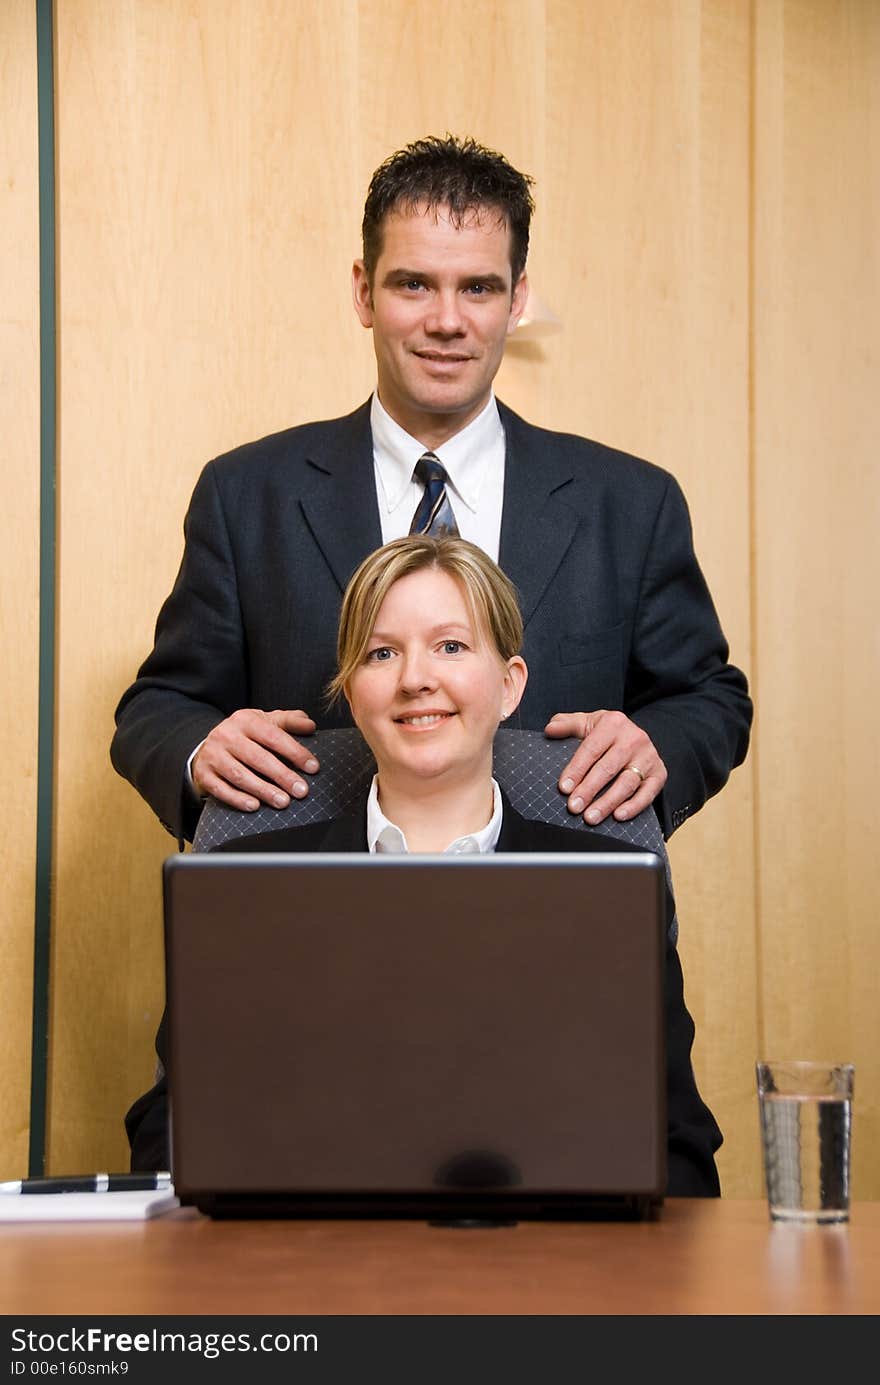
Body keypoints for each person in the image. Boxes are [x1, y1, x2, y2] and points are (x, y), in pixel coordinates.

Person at [111, 134, 751, 848]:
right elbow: (158, 707)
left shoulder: (631, 503)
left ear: (517, 300)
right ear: (363, 291)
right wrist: (201, 750)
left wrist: (657, 745)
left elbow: (710, 699)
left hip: (570, 927)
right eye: (414, 283)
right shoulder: (246, 494)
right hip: (313, 931)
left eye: (478, 287)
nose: (447, 320)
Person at [126, 536, 722, 1193]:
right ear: (352, 693)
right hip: (305, 1266)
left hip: (550, 1267)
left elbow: (681, 1151)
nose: (416, 678)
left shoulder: (612, 888)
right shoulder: (243, 884)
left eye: (451, 646)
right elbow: (171, 1130)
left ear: (508, 684)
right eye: (382, 652)